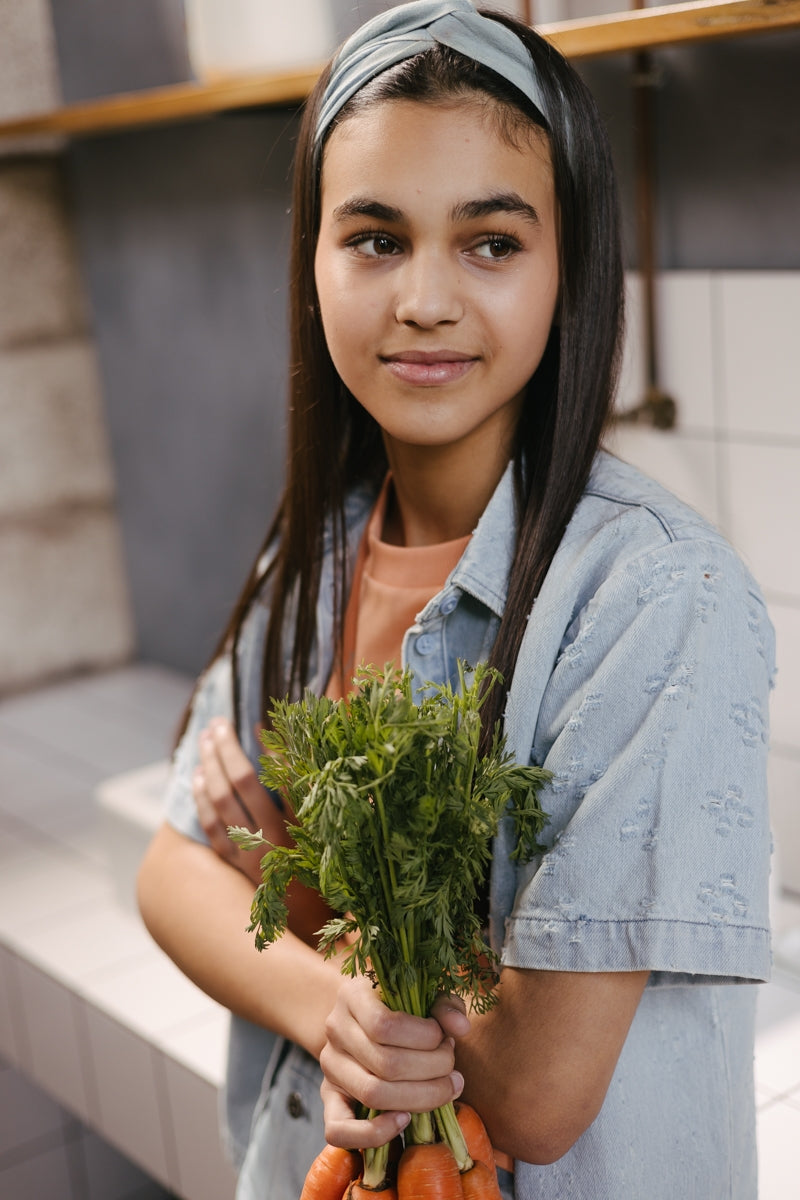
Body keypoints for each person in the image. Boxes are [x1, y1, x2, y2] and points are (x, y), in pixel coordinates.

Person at [136, 3, 775, 1197]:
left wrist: (298, 881)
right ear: (312, 264)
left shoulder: (657, 600)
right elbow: (171, 874)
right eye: (375, 239)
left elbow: (533, 1094)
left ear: (566, 266)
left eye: (489, 243)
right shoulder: (312, 559)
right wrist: (344, 1003)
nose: (423, 298)